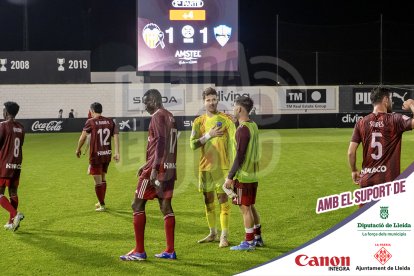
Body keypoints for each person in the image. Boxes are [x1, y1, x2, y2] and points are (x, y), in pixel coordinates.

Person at [120, 89, 178, 261]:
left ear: (153, 100)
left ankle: (139, 251)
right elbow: (165, 144)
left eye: (146, 102)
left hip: (157, 170)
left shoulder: (157, 116)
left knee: (136, 205)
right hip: (169, 168)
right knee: (165, 207)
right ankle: (170, 250)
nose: (144, 106)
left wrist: (153, 167)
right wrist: (147, 163)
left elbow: (160, 141)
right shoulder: (170, 116)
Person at [190, 87, 236, 248]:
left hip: (222, 167)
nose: (211, 102)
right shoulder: (198, 122)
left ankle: (224, 236)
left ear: (217, 100)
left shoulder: (226, 119)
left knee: (223, 200)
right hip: (204, 168)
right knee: (207, 201)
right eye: (208, 100)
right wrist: (208, 135)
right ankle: (212, 233)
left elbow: (234, 142)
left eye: (214, 99)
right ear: (204, 102)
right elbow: (192, 144)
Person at [348, 87, 414, 191]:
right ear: (385, 100)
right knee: (385, 208)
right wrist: (411, 104)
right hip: (387, 182)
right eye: (390, 99)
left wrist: (354, 170)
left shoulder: (361, 123)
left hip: (366, 181)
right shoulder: (394, 119)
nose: (391, 102)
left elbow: (351, 152)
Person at [224, 96, 263, 251]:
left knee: (244, 209)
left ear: (239, 109)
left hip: (244, 176)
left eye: (234, 106)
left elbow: (239, 155)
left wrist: (229, 177)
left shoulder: (242, 130)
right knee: (251, 206)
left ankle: (248, 241)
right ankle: (258, 237)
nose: (233, 108)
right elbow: (243, 132)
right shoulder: (253, 125)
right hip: (253, 175)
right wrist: (233, 121)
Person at [76, 102, 120, 211]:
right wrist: (117, 152)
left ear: (92, 111)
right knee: (103, 178)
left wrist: (78, 149)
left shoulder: (90, 122)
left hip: (96, 155)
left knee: (97, 181)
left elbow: (82, 137)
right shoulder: (110, 121)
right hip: (107, 154)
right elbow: (115, 136)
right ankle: (101, 201)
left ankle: (102, 205)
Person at [0, 101, 25, 231]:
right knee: (13, 192)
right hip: (17, 163)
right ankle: (10, 222)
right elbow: (20, 144)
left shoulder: (3, 125)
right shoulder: (21, 127)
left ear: (6, 112)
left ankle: (15, 214)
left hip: (4, 164)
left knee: (0, 193)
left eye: (3, 110)